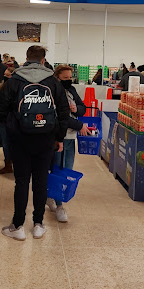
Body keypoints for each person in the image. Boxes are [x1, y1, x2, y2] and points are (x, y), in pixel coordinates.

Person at [0, 45, 70, 240]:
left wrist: (12, 127)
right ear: (43, 60)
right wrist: (59, 137)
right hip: (46, 139)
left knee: (21, 182)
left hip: (20, 139)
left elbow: (0, 107)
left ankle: (18, 226)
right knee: (40, 181)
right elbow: (64, 112)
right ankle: (38, 224)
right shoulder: (53, 82)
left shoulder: (15, 80)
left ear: (27, 58)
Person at [48, 65, 91, 222]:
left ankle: (52, 198)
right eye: (65, 78)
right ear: (57, 77)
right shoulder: (53, 92)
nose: (68, 80)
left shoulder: (71, 90)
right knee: (58, 170)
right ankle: (59, 204)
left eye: (70, 77)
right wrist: (80, 125)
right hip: (58, 137)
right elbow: (60, 116)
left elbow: (83, 108)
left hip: (70, 138)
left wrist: (76, 108)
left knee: (66, 169)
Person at [0, 68, 13, 174]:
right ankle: (8, 164)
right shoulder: (2, 87)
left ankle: (10, 164)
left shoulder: (9, 88)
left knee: (8, 143)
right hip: (4, 120)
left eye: (8, 75)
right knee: (6, 144)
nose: (6, 77)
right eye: (5, 75)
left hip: (7, 120)